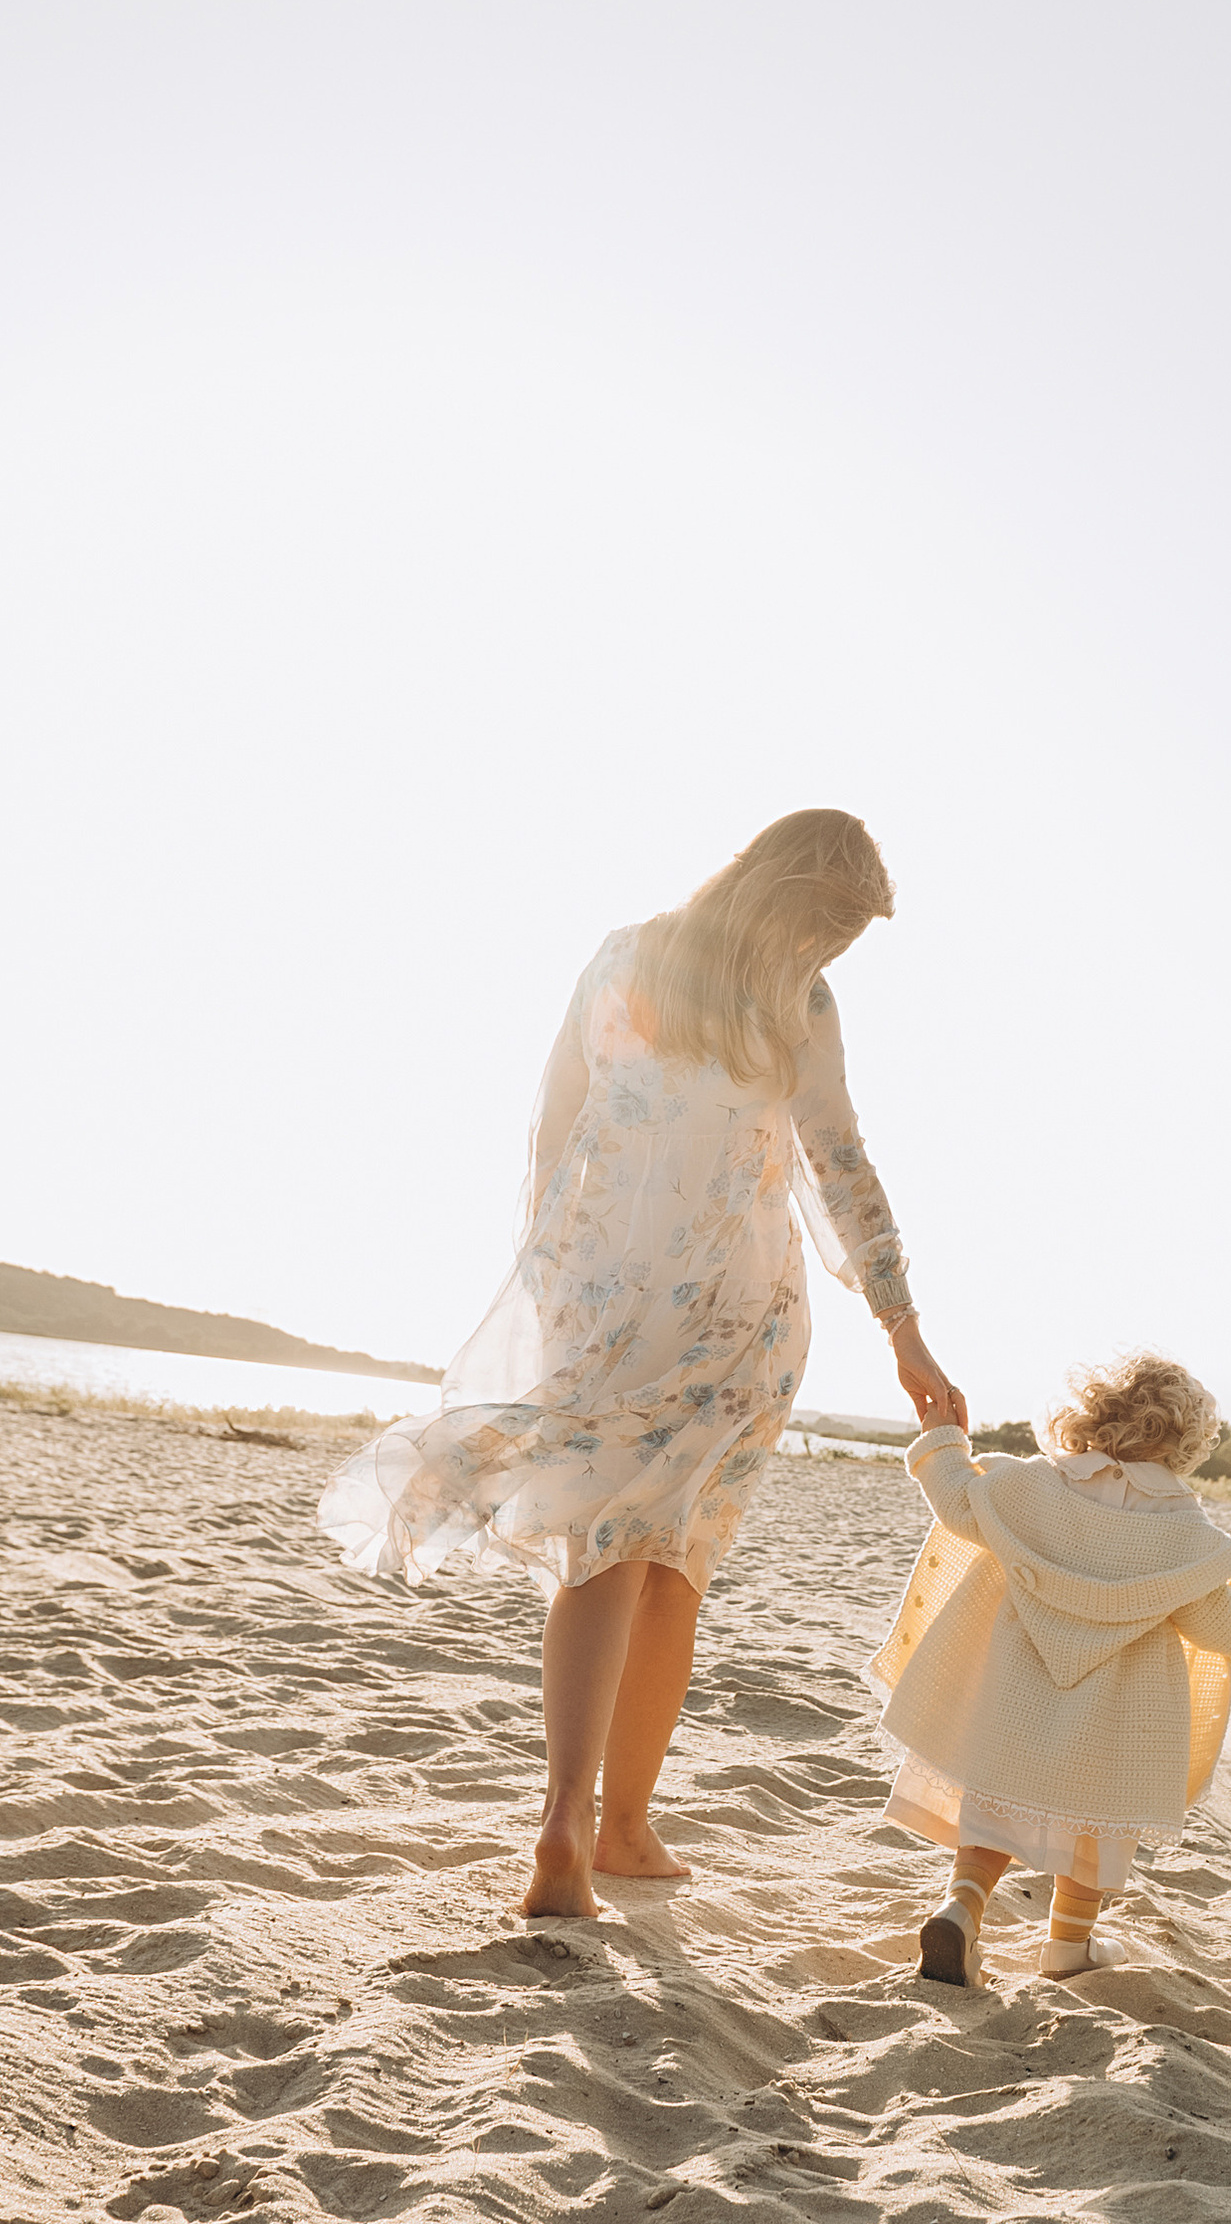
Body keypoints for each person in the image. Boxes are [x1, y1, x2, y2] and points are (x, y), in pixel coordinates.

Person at [321, 809, 964, 1915]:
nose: (829, 956)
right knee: (674, 1561)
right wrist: (904, 1330)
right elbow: (840, 1163)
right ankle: (620, 1828)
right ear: (797, 902)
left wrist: (556, 1277)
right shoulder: (796, 1000)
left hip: (603, 1291)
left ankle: (568, 1819)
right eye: (831, 931)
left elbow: (556, 1127)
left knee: (601, 1547)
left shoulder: (623, 955)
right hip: (739, 1307)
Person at [866, 1352, 1231, 1987]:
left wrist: (944, 1436)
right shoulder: (1183, 1529)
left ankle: (962, 1908)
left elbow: (958, 1502)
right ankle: (1069, 1945)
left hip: (1016, 1686)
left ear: (1088, 1415)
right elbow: (1213, 1619)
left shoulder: (1031, 1485)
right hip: (1116, 1712)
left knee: (993, 1802)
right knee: (1097, 1823)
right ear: (1188, 1443)